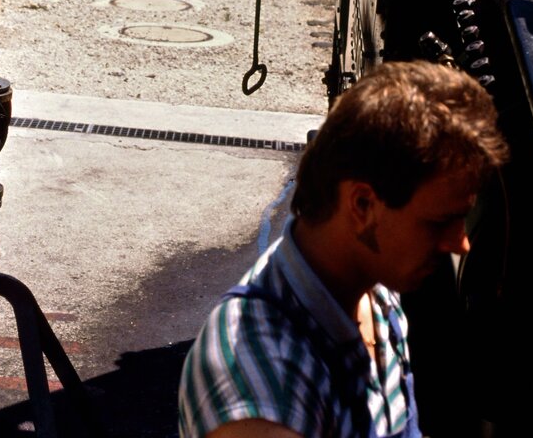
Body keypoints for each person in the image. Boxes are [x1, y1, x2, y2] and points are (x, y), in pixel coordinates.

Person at [178, 60, 509, 438]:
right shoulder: (264, 389)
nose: (461, 244)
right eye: (438, 223)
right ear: (363, 206)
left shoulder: (376, 294)